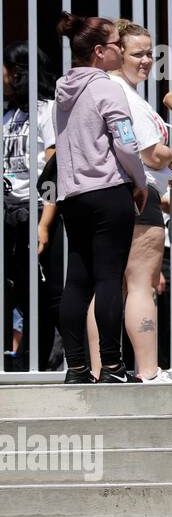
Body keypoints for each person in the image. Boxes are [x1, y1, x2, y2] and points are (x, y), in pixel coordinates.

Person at [52, 12, 148, 384]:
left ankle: (76, 367)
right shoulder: (107, 87)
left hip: (72, 196)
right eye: (115, 46)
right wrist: (139, 181)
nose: (120, 51)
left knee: (77, 280)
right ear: (98, 52)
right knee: (109, 279)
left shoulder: (64, 90)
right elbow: (125, 141)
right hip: (108, 191)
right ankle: (112, 366)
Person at [86, 22, 172, 383]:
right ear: (117, 53)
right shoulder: (124, 96)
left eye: (150, 53)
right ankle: (148, 372)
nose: (147, 61)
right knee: (140, 286)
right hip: (139, 193)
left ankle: (98, 370)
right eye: (138, 53)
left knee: (106, 285)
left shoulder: (99, 91)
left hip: (103, 196)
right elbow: (151, 154)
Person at [2, 42, 60, 372]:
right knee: (22, 292)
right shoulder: (10, 115)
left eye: (6, 68)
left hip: (38, 210)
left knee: (48, 291)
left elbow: (54, 168)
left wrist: (45, 221)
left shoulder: (47, 110)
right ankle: (29, 359)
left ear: (19, 71)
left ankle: (49, 360)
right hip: (10, 212)